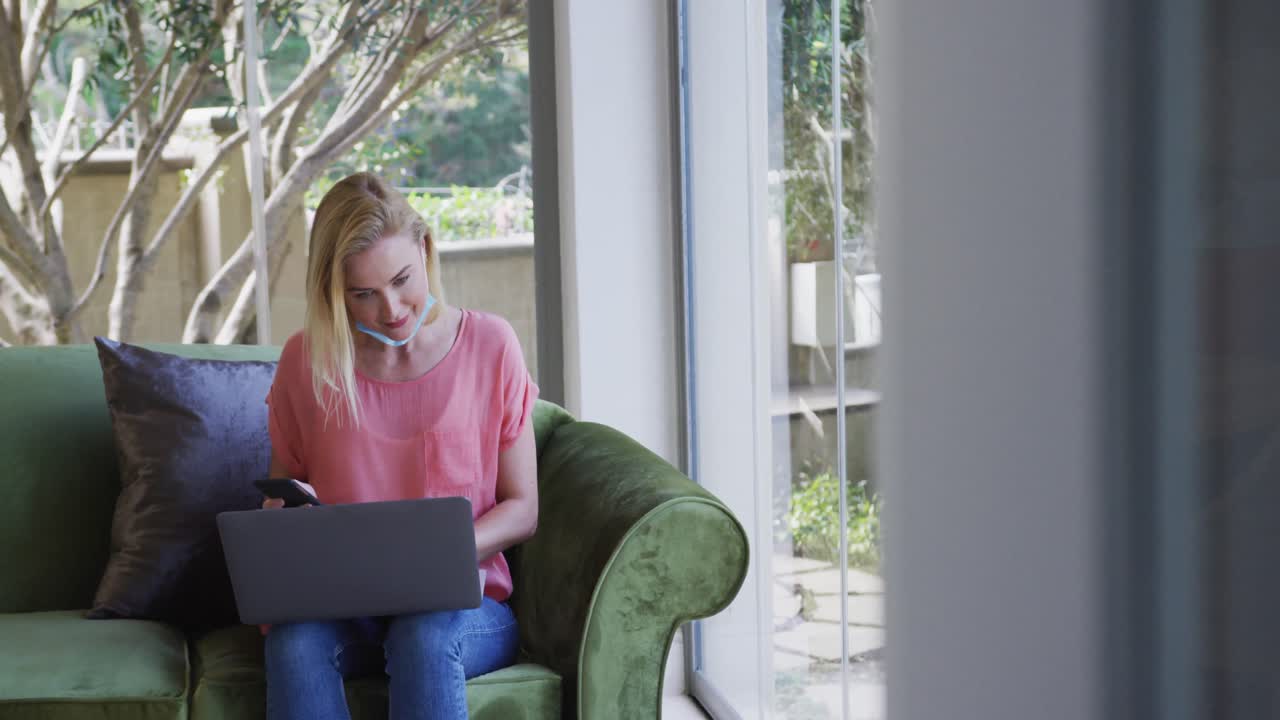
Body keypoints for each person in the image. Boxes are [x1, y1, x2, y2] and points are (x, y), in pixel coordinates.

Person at [260, 172, 539, 720]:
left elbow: (523, 508)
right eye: (362, 294)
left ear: (426, 249)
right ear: (333, 294)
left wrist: (439, 556)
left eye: (402, 279)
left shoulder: (490, 345)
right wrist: (284, 522)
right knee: (291, 641)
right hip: (346, 607)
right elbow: (282, 496)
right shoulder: (306, 362)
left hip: (464, 605)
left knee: (424, 635)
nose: (390, 308)